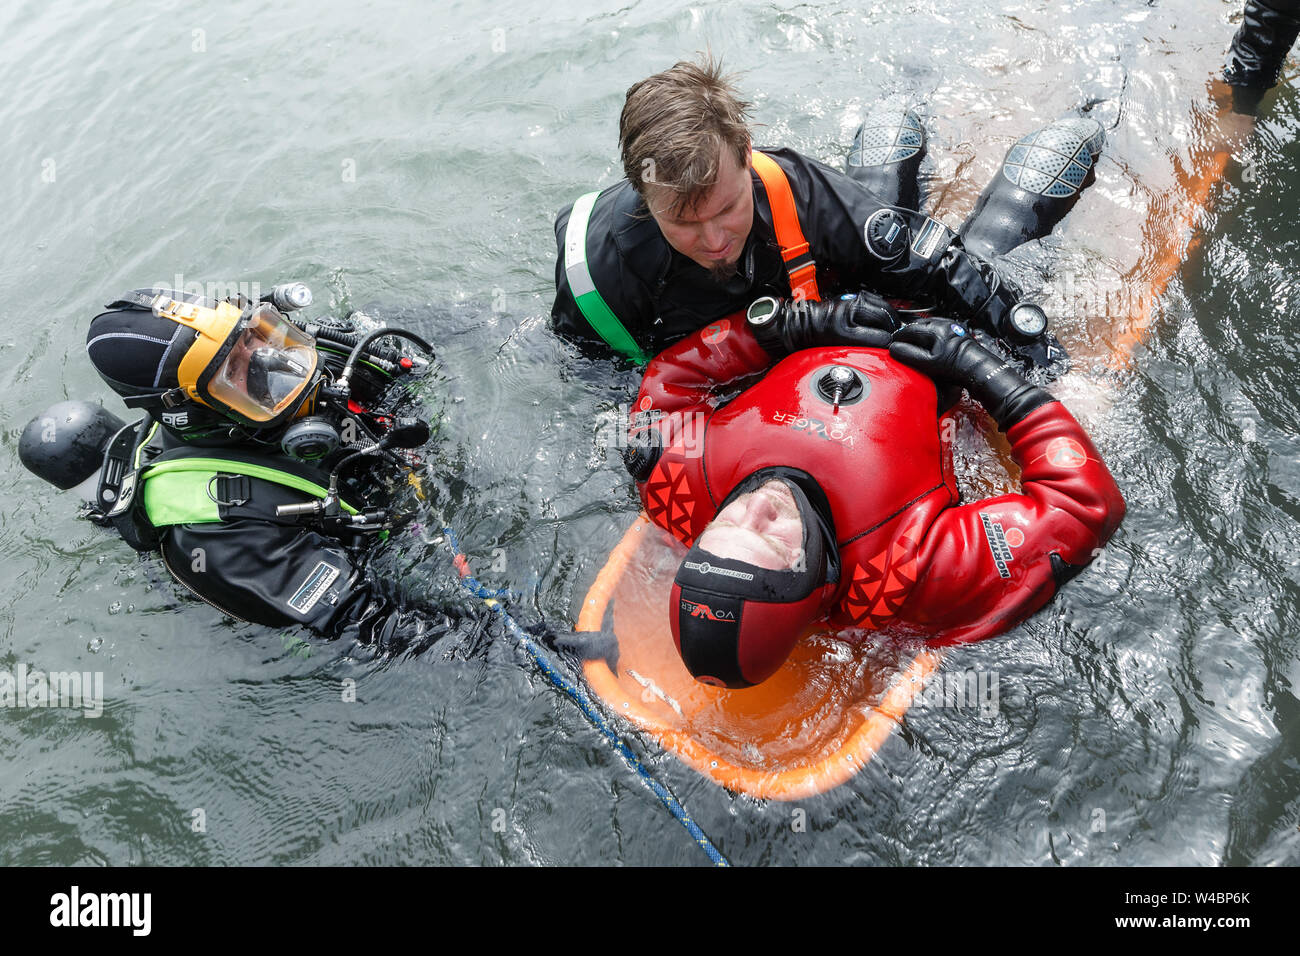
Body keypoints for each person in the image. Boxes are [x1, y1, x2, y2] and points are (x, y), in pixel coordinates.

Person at [621, 297, 1125, 689]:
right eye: (772, 539)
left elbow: (673, 374)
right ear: (816, 580)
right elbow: (1082, 507)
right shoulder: (899, 576)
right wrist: (988, 374)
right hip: (955, 342)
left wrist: (793, 325)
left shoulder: (678, 490)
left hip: (842, 307)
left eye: (724, 528)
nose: (757, 506)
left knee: (884, 182)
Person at [549, 55, 1104, 371]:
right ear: (643, 198)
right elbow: (599, 384)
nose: (715, 239)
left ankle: (915, 99)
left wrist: (1035, 349)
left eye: (727, 210)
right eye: (684, 225)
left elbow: (936, 262)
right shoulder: (599, 286)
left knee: (924, 251)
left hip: (821, 296)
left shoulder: (791, 188)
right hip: (738, 370)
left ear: (746, 153)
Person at [19, 285, 467, 653]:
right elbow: (379, 628)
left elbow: (432, 335)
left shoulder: (296, 355)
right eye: (235, 369)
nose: (276, 363)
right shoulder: (214, 540)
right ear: (188, 408)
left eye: (255, 337)